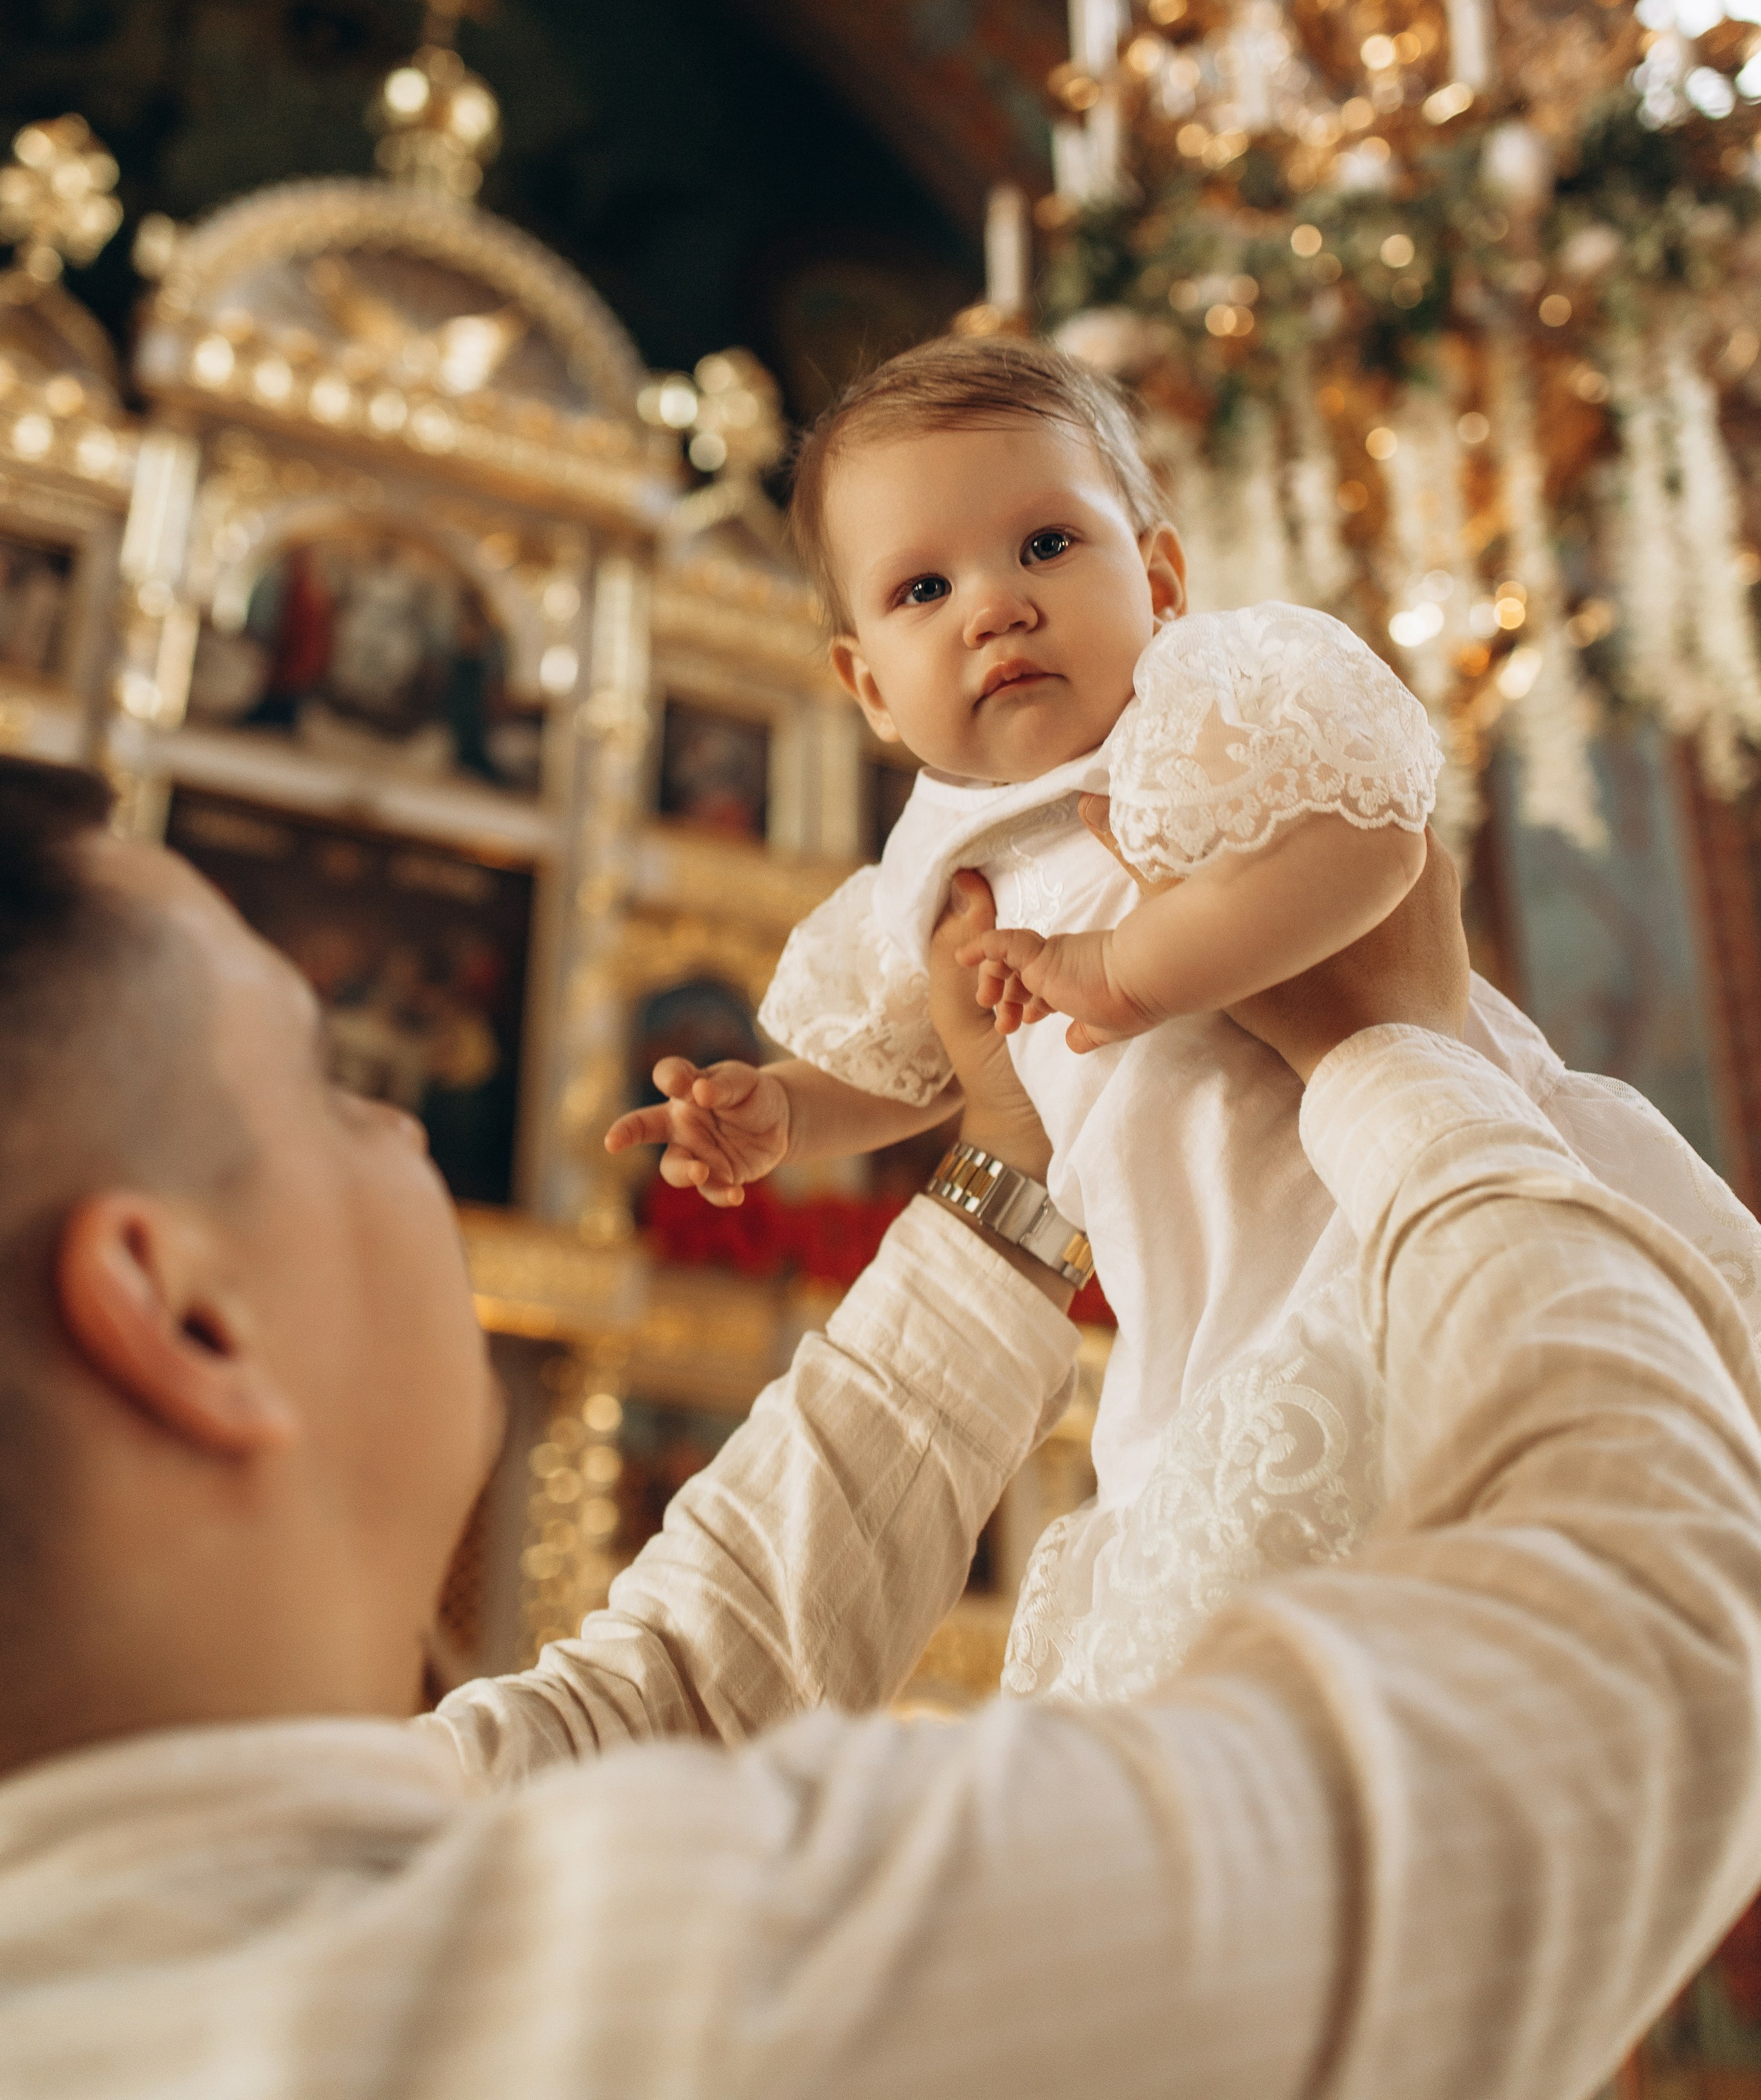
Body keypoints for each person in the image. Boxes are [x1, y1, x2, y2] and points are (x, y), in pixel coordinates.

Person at [4, 753, 1761, 2098]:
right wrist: (1408, 1064)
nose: (405, 1139)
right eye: (328, 1087)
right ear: (186, 1312)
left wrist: (1009, 1163)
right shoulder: (624, 2006)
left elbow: (682, 1695)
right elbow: (1625, 1681)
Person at [607, 339, 1761, 1699]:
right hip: (1200, 1302)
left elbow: (1373, 853)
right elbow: (921, 1064)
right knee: (1261, 1592)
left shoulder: (1201, 709)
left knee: (1510, 1484)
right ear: (866, 684)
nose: (994, 608)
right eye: (924, 588)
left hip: (1382, 1192)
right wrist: (787, 1113)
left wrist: (1129, 970)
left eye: (1044, 545)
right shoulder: (921, 874)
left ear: (1155, 581)